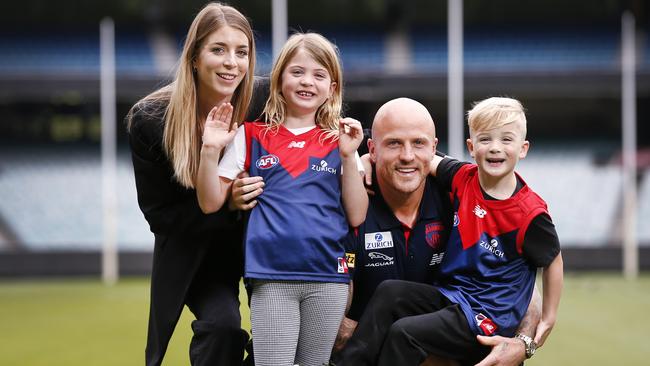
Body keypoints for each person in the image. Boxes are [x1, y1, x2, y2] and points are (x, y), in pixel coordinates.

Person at [234, 97, 543, 366]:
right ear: (372, 149)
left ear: (434, 149)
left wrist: (523, 343)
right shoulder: (345, 202)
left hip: (432, 347)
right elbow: (338, 332)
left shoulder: (460, 198)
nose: (407, 155)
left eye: (418, 143)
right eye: (393, 143)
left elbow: (521, 281)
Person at [337, 97, 563, 366]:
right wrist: (361, 162)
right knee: (390, 293)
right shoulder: (461, 177)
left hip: (484, 317)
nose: (495, 149)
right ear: (471, 146)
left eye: (506, 140)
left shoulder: (529, 212)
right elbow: (420, 159)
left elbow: (550, 262)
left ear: (523, 148)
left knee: (403, 332)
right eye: (486, 139)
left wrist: (542, 325)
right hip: (455, 297)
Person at [196, 32, 368, 366]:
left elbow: (357, 214)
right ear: (279, 80)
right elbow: (209, 201)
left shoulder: (341, 141)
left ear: (332, 88)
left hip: (328, 276)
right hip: (271, 274)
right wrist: (210, 149)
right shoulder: (252, 135)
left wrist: (349, 157)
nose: (307, 82)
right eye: (298, 72)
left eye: (319, 75)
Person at [125, 3, 256, 365]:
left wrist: (363, 155)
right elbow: (162, 218)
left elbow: (320, 122)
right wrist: (227, 203)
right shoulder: (150, 120)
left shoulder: (261, 103)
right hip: (203, 252)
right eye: (219, 49)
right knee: (223, 328)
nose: (232, 62)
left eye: (241, 52)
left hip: (266, 245)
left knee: (285, 335)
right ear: (195, 57)